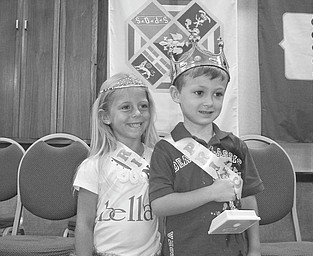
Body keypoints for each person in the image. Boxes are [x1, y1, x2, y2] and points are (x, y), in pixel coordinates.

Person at [149, 32, 264, 256]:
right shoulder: (166, 149)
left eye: (218, 94)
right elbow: (160, 205)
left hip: (233, 250)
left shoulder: (236, 146)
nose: (209, 102)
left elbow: (249, 198)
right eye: (199, 92)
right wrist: (211, 193)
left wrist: (255, 248)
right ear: (176, 94)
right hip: (183, 248)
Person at [73, 73, 162, 256]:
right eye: (126, 107)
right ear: (106, 116)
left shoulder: (159, 160)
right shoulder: (93, 165)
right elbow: (84, 224)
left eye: (143, 106)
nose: (137, 113)